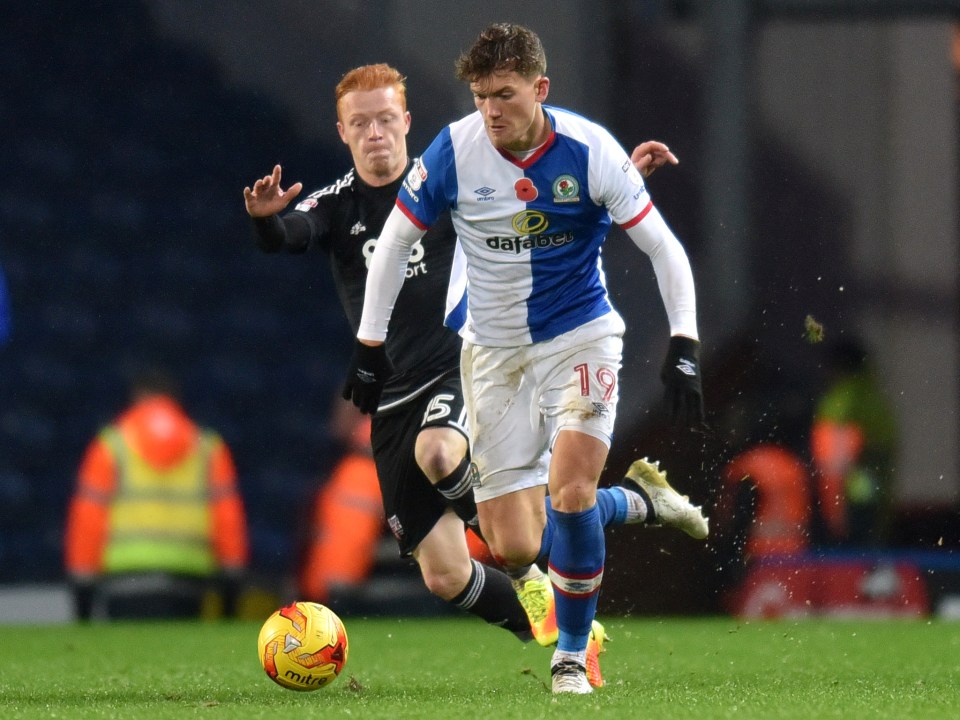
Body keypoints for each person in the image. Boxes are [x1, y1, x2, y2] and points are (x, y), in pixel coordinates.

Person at [245, 62, 692, 690]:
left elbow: (547, 202)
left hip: (469, 365)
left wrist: (616, 182)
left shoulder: (454, 182)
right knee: (446, 575)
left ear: (405, 121)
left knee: (442, 454)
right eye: (359, 123)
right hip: (394, 396)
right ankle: (606, 547)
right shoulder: (338, 201)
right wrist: (266, 220)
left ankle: (537, 584)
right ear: (342, 132)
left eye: (384, 119)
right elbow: (291, 232)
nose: (374, 133)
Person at [64, 368, 249, 620]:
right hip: (188, 579)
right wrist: (232, 579)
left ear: (137, 397)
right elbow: (227, 518)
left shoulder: (111, 445)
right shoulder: (207, 447)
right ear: (174, 400)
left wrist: (82, 584)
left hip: (125, 579)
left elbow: (88, 518)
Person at [810, 337, 897, 547]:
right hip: (878, 503)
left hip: (850, 505)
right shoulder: (875, 400)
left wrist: (834, 517)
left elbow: (833, 465)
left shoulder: (840, 405)